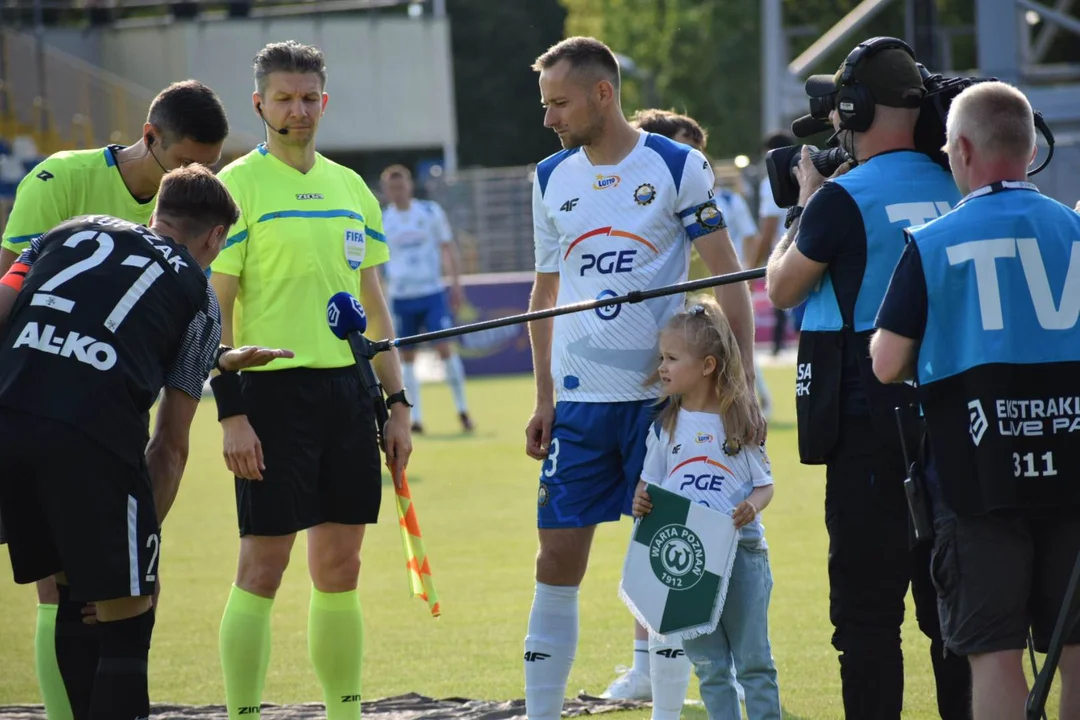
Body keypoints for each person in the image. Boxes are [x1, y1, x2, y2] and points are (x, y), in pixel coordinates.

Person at [524, 36, 761, 720]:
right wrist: (544, 397)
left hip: (663, 410)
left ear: (604, 93)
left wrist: (733, 393)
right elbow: (544, 297)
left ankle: (664, 713)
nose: (550, 119)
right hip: (578, 408)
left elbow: (729, 280)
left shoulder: (678, 165)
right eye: (546, 105)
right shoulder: (548, 178)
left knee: (667, 571)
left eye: (559, 103)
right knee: (556, 564)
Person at [0, 165, 291, 720]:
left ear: (155, 215)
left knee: (67, 592)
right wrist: (134, 549)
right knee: (125, 622)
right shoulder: (200, 298)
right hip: (90, 439)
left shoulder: (67, 231)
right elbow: (169, 446)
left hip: (10, 414)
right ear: (214, 238)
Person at [765, 37, 972, 719]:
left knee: (866, 622)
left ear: (852, 107)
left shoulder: (841, 196)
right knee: (955, 621)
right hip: (954, 424)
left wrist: (802, 201)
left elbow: (782, 288)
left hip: (866, 431)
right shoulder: (958, 181)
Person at [209, 40, 412, 720]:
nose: (298, 110)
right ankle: (242, 714)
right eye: (284, 98)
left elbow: (374, 305)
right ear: (259, 103)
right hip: (269, 398)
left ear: (323, 101)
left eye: (308, 98)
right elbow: (218, 310)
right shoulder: (235, 187)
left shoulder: (351, 189)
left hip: (348, 397)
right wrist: (230, 411)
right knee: (262, 571)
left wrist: (398, 403)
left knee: (341, 570)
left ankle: (345, 712)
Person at [871, 81, 1080, 720]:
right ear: (1027, 146)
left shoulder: (934, 241)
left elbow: (886, 364)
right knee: (1076, 649)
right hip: (1072, 469)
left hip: (976, 475)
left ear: (961, 149)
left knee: (992, 654)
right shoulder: (1074, 230)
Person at [607, 108, 767, 704]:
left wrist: (740, 378)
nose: (690, 170)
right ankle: (647, 661)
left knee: (704, 507)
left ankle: (699, 660)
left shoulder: (704, 197)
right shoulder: (620, 189)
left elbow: (736, 270)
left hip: (690, 364)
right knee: (652, 517)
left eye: (698, 159)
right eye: (680, 155)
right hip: (630, 374)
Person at [631, 295, 781, 720]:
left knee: (754, 663)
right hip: (689, 566)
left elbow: (765, 486)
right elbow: (650, 484)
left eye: (672, 358)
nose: (662, 367)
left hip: (743, 556)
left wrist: (752, 506)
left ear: (707, 365)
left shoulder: (739, 420)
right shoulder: (665, 425)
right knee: (711, 667)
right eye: (662, 357)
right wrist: (642, 498)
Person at [379, 163, 474, 434]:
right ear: (386, 190)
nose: (397, 191)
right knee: (406, 357)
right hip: (401, 296)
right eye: (392, 187)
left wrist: (456, 284)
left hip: (431, 292)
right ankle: (416, 417)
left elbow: (447, 248)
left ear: (409, 186)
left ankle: (462, 410)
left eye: (401, 185)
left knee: (445, 349)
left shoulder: (430, 212)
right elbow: (377, 263)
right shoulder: (384, 219)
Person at [751, 132, 801, 355]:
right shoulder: (809, 176)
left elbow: (768, 229)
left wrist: (752, 268)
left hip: (788, 253)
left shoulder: (770, 182)